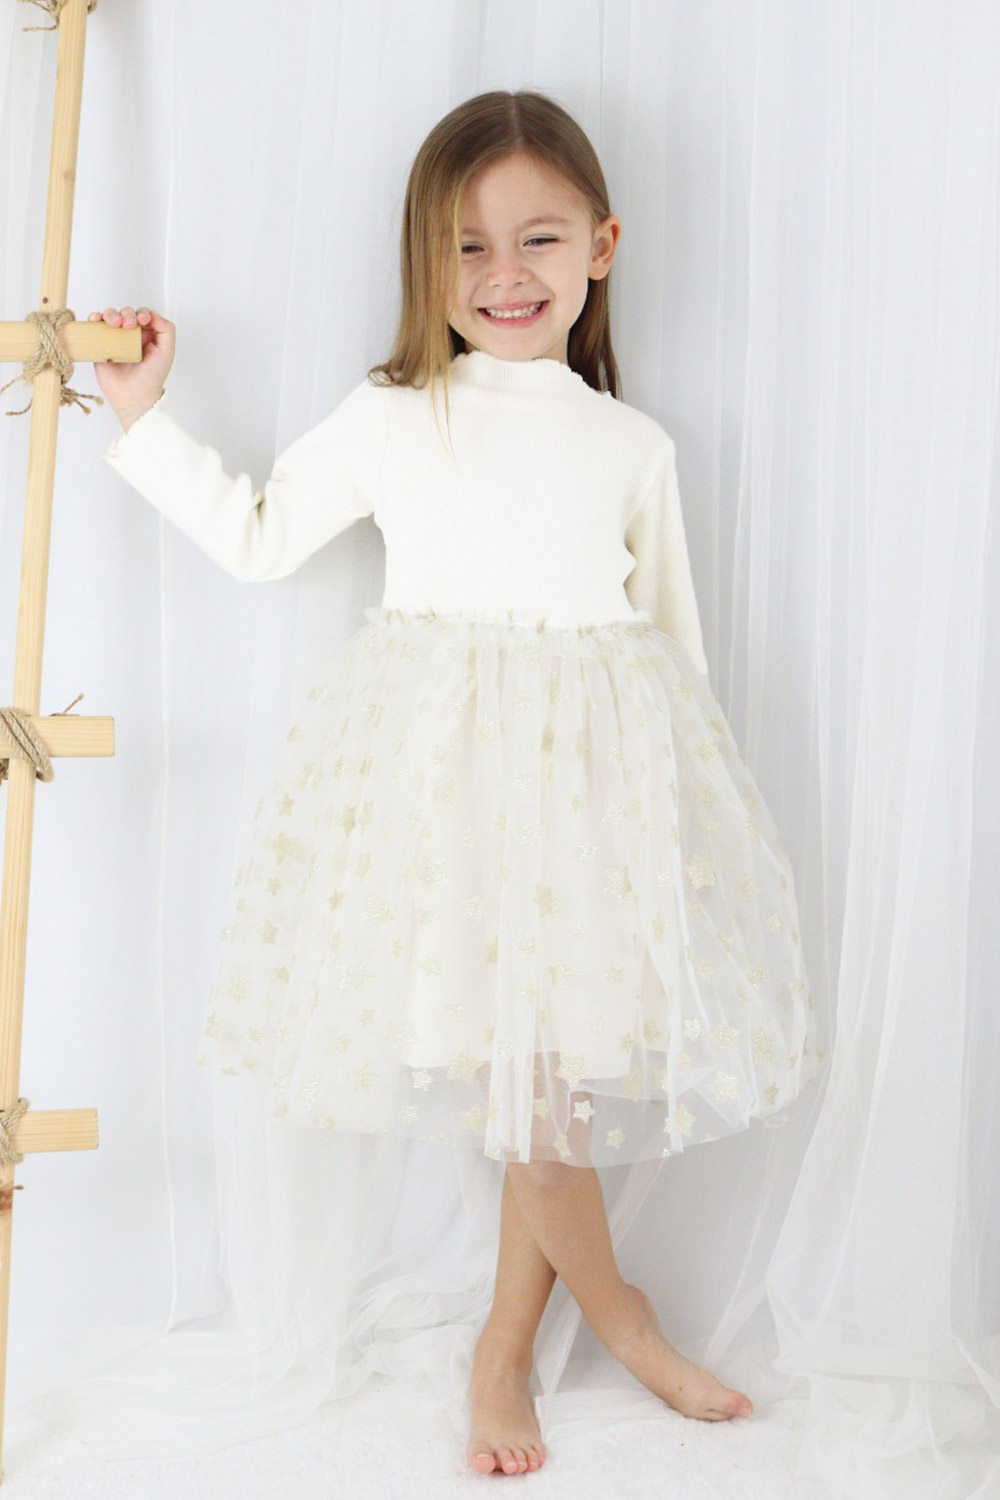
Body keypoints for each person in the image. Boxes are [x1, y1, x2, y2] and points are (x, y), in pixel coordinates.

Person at [89, 89, 820, 1479]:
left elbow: (673, 650)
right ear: (424, 262)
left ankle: (506, 1343)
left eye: (538, 239)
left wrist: (678, 836)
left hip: (590, 806)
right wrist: (145, 417)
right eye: (466, 247)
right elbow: (259, 538)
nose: (504, 275)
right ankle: (616, 1318)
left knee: (546, 1084)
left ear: (601, 246)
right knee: (520, 1090)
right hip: (444, 803)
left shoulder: (631, 445)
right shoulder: (394, 413)